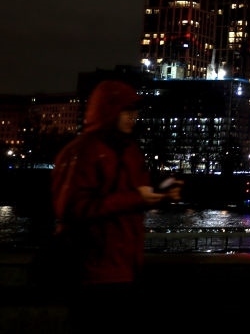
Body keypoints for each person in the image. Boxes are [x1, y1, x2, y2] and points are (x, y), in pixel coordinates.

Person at [50, 79, 183, 334]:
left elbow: (132, 194)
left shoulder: (129, 150)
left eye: (135, 111)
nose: (134, 117)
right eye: (126, 111)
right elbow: (72, 209)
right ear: (109, 111)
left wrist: (162, 194)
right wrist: (137, 198)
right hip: (93, 272)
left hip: (126, 268)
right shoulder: (83, 151)